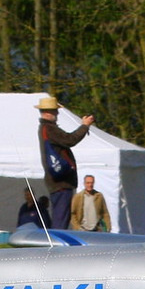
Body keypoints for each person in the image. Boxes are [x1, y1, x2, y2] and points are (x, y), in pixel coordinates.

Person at [37, 95, 93, 229]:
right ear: (48, 112)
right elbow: (70, 140)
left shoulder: (45, 129)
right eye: (55, 111)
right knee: (60, 221)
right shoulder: (49, 129)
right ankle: (56, 248)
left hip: (57, 182)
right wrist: (84, 126)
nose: (57, 113)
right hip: (61, 182)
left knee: (60, 218)